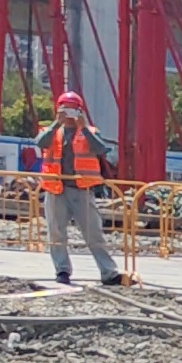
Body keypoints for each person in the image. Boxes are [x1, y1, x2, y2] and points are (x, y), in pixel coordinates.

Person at [37, 92, 122, 286]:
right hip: (56, 190)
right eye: (65, 109)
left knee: (94, 233)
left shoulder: (89, 131)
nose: (69, 114)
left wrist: (83, 127)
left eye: (73, 109)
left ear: (80, 111)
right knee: (56, 233)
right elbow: (40, 142)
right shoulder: (51, 131)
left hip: (82, 190)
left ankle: (108, 272)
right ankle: (62, 270)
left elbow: (100, 149)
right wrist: (56, 124)